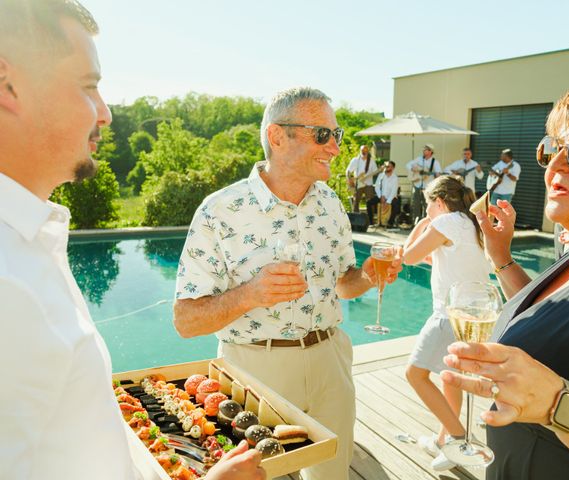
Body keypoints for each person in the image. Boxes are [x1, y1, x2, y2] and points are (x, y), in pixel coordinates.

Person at [0, 1, 264, 479]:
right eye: (88, 87)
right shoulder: (8, 282)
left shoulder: (28, 241)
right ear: (8, 84)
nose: (105, 113)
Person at [173, 87, 402, 480]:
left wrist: (367, 275)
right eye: (322, 135)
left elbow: (344, 285)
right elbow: (186, 320)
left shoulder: (331, 204)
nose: (334, 148)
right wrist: (250, 295)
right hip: (254, 371)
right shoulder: (221, 210)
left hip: (331, 362)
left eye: (337, 135)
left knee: (334, 475)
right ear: (278, 137)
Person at [440, 72, 569, 479]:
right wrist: (501, 257)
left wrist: (554, 400)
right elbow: (554, 323)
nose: (556, 166)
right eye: (552, 149)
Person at [402, 175, 491, 471]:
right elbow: (453, 259)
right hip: (473, 315)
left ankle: (458, 436)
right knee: (450, 379)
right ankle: (444, 441)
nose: (428, 211)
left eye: (429, 205)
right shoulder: (469, 222)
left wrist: (421, 223)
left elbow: (408, 256)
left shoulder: (444, 221)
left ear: (438, 203)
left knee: (415, 374)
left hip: (448, 315)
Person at [366, 160, 400, 227]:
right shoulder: (381, 176)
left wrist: (388, 201)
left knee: (396, 205)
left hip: (391, 197)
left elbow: (394, 191)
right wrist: (380, 196)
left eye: (388, 167)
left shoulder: (395, 178)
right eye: (386, 166)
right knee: (369, 202)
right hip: (381, 196)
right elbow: (377, 187)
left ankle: (390, 223)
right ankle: (371, 222)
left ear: (393, 168)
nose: (387, 168)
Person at [345, 144, 378, 212]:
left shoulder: (371, 161)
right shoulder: (355, 160)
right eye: (362, 150)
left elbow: (376, 171)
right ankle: (355, 217)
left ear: (368, 151)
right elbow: (348, 171)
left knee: (370, 201)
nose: (364, 152)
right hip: (358, 183)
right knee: (356, 201)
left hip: (368, 184)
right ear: (360, 151)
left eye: (365, 151)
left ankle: (370, 218)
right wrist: (350, 180)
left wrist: (368, 176)